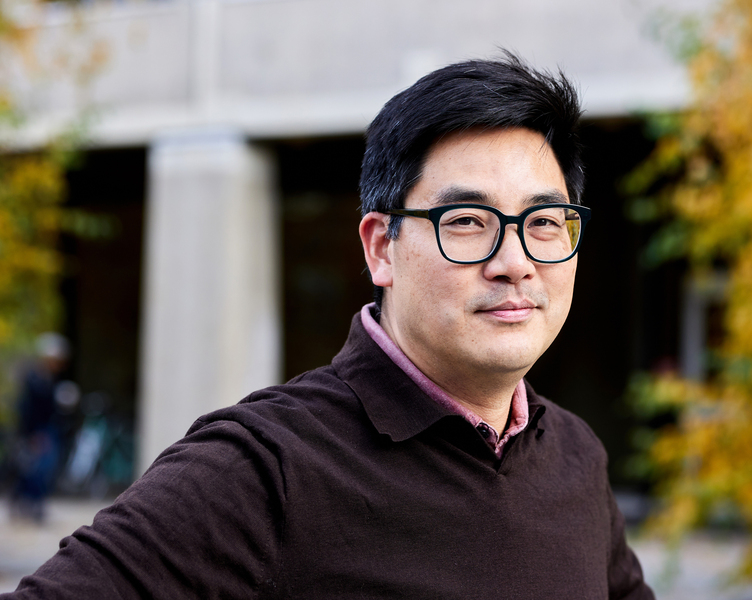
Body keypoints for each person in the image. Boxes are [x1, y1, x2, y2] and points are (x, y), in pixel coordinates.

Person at [4, 53, 655, 599]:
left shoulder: (574, 454)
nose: (515, 263)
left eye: (543, 224)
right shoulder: (264, 466)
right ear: (381, 247)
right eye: (466, 222)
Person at [9, 333, 71, 523]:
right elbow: (28, 410)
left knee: (44, 468)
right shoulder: (35, 380)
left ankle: (33, 504)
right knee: (36, 469)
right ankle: (27, 503)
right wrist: (31, 435)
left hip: (48, 429)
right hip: (38, 431)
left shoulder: (50, 380)